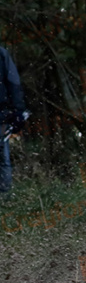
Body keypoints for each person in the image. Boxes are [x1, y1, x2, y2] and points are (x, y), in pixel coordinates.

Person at [0, 45, 27, 196]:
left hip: (1, 115)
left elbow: (13, 82)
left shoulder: (1, 55)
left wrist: (18, 110)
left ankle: (4, 201)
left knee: (2, 159)